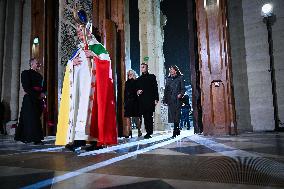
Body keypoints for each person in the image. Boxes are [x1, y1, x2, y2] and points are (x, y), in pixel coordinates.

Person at [55, 23, 117, 151]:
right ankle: (78, 140)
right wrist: (72, 63)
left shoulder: (97, 47)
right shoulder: (78, 49)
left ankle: (95, 141)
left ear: (88, 31)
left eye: (81, 30)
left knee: (89, 113)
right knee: (78, 111)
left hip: (92, 88)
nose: (78, 33)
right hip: (79, 88)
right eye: (77, 30)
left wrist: (94, 57)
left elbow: (106, 63)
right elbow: (69, 64)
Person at [14, 58, 46, 145]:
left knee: (34, 118)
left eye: (38, 63)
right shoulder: (26, 73)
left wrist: (43, 94)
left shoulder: (40, 76)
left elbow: (43, 88)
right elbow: (26, 87)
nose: (39, 64)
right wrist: (38, 95)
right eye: (37, 63)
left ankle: (27, 138)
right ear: (31, 64)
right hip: (30, 99)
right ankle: (36, 139)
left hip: (38, 100)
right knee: (31, 119)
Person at [136, 62, 159, 139]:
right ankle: (147, 132)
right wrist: (138, 91)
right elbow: (136, 89)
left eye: (144, 67)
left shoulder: (152, 77)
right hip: (142, 101)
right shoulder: (138, 79)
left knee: (149, 116)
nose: (142, 68)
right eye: (141, 67)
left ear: (147, 68)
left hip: (150, 100)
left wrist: (156, 99)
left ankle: (149, 132)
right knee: (145, 117)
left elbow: (155, 88)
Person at [163, 65, 185, 138]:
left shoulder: (180, 78)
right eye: (170, 69)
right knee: (172, 115)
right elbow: (166, 90)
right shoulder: (168, 79)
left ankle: (175, 130)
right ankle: (177, 129)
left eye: (172, 69)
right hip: (170, 100)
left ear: (175, 70)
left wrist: (180, 94)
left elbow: (183, 89)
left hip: (177, 99)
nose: (170, 70)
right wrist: (164, 100)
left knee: (177, 115)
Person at [124, 70, 142, 138]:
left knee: (136, 117)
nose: (129, 76)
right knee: (128, 117)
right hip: (128, 102)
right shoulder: (126, 83)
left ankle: (139, 129)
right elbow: (125, 92)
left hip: (135, 101)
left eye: (131, 74)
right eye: (129, 74)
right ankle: (129, 131)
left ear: (134, 74)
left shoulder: (137, 81)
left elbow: (139, 90)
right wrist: (125, 102)